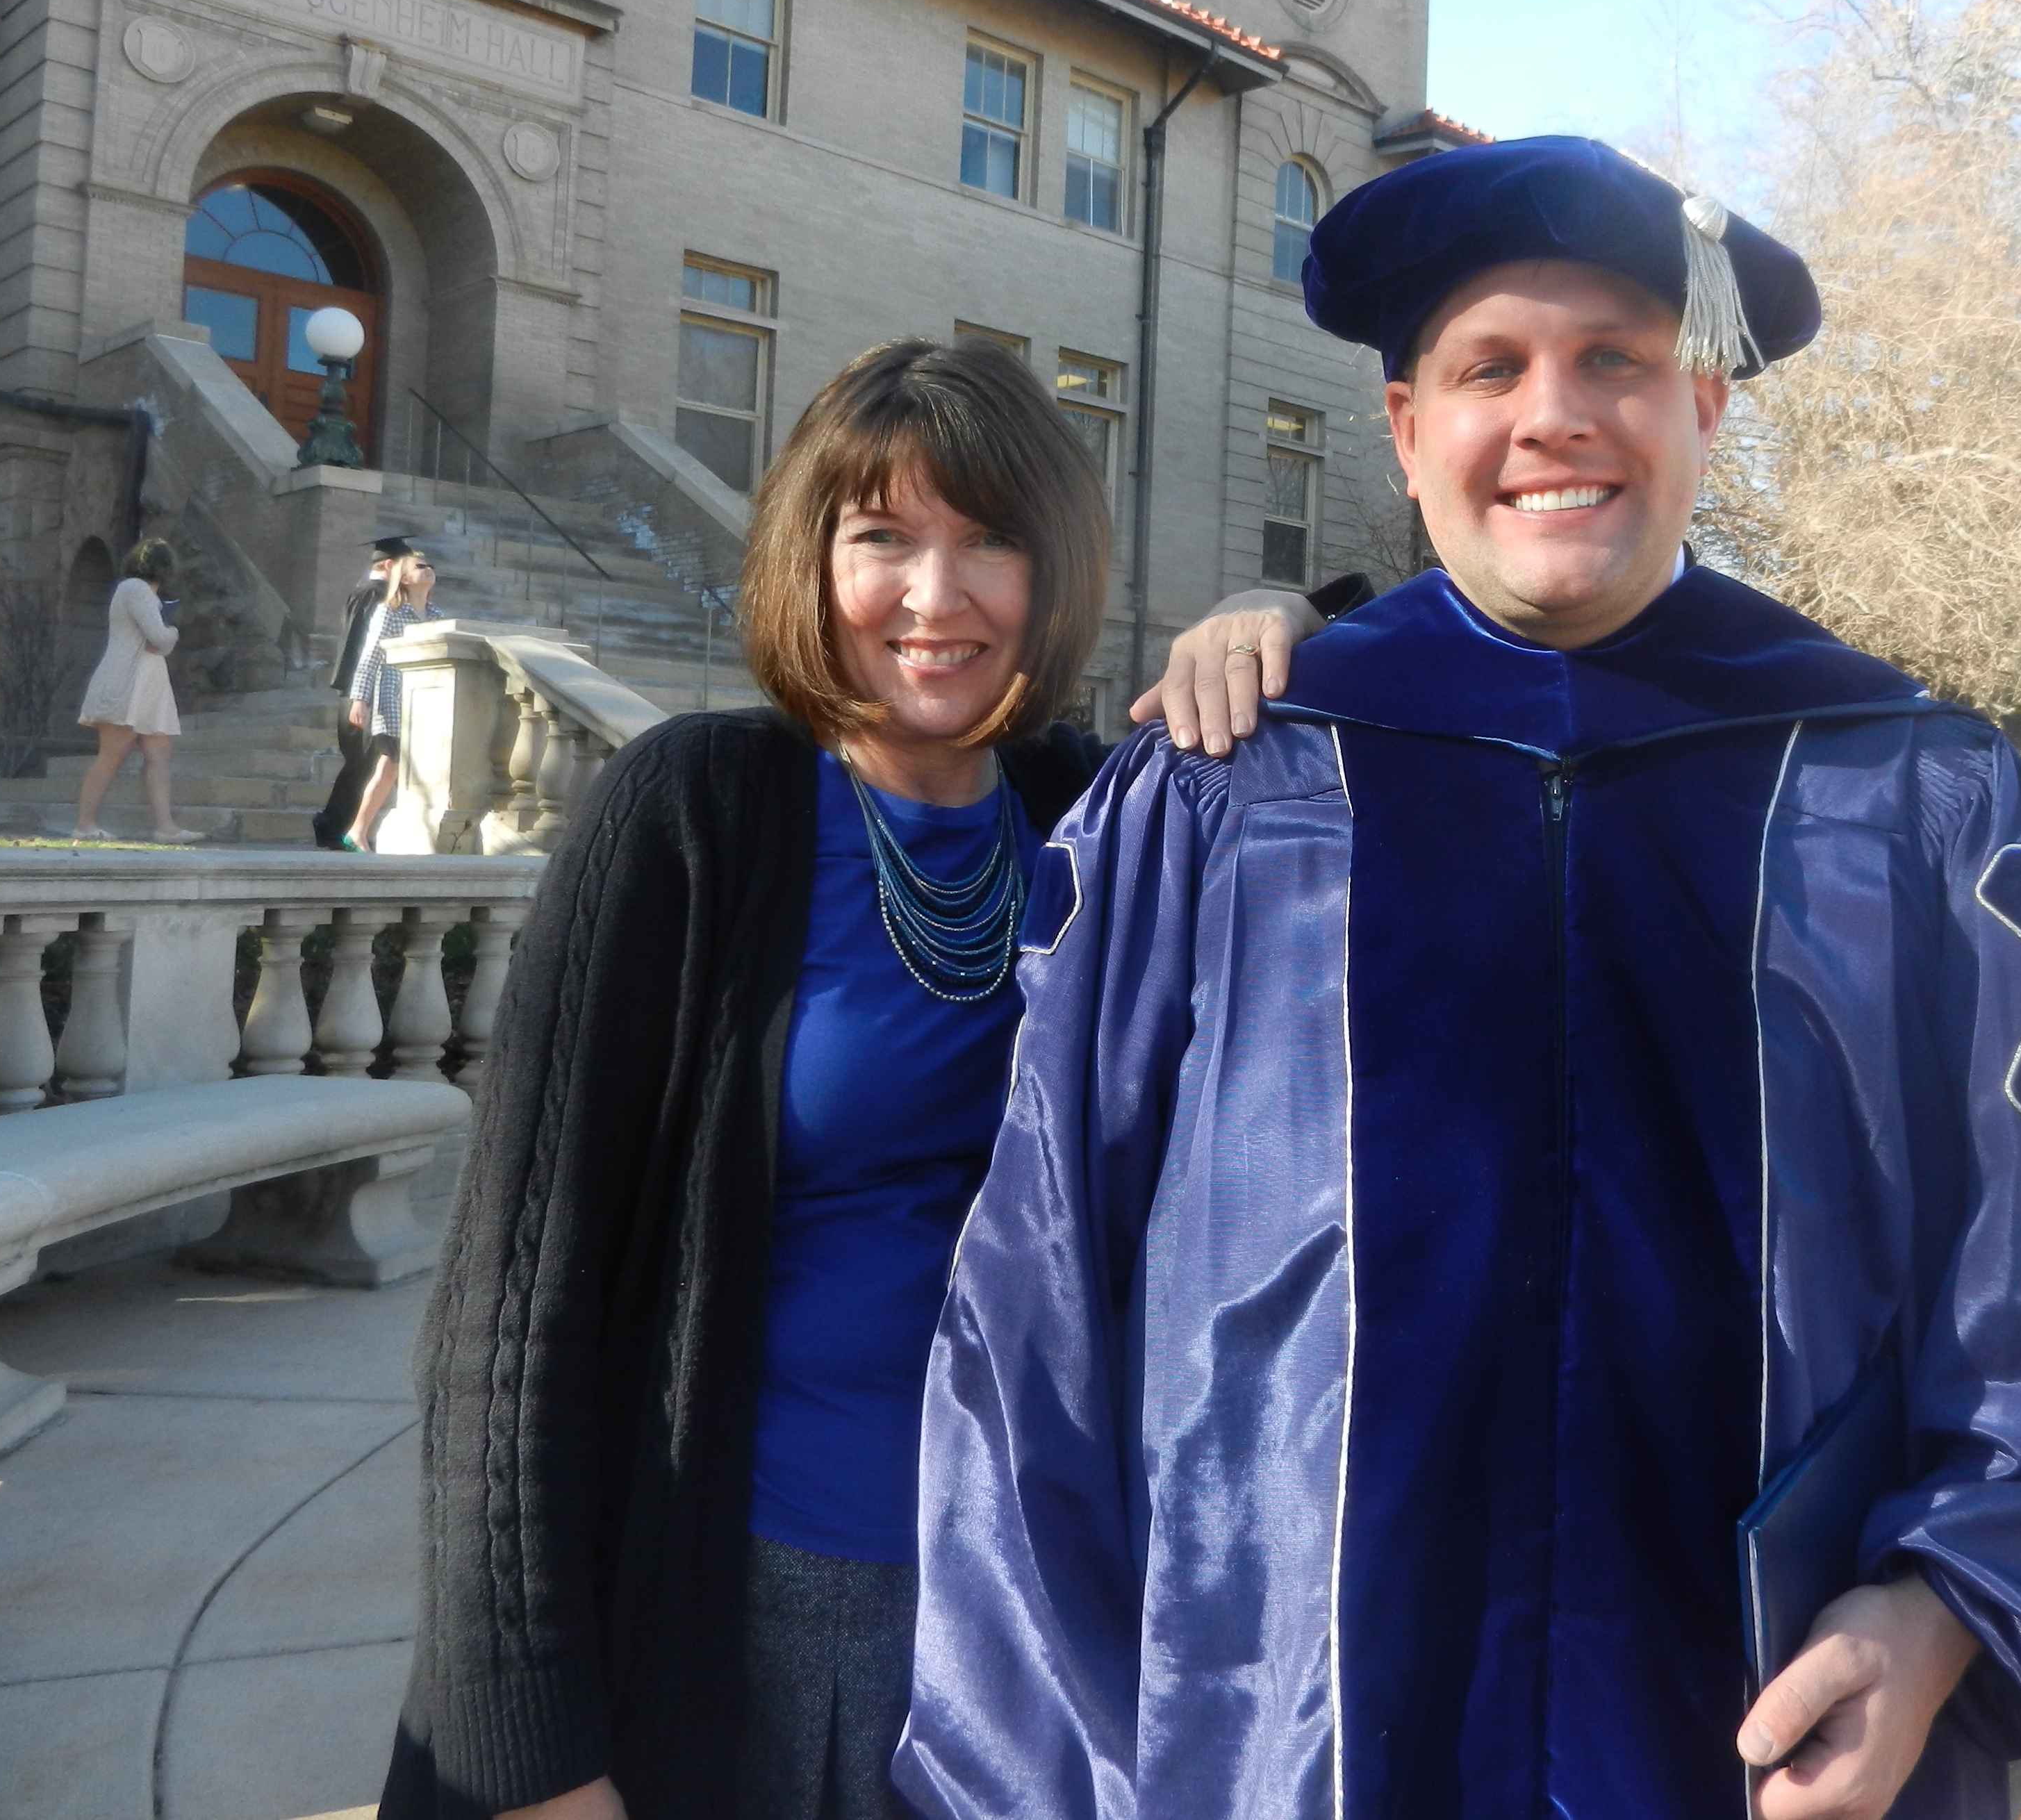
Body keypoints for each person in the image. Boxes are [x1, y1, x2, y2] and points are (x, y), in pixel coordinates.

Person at [898, 138, 2021, 1820]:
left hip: (1781, 1745)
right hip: (1279, 1751)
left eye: (1616, 363)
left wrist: (1950, 1610)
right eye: (1490, 367)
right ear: (1408, 430)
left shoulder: (1919, 800)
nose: (1554, 414)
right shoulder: (1219, 794)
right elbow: (1036, 1323)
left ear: (1703, 409)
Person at [381, 336, 1363, 1820]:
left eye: (988, 543)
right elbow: (513, 1303)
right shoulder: (701, 810)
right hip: (762, 1602)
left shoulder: (1088, 819)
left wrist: (1283, 614)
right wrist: (531, 1750)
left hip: (1034, 1617)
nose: (932, 594)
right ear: (808, 558)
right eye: (880, 538)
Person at [71, 536, 201, 843]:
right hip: (128, 681)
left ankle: (165, 827)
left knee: (160, 750)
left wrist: (164, 638)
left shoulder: (137, 592)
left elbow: (156, 644)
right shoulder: (136, 589)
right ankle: (85, 824)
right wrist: (174, 632)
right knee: (114, 753)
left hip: (145, 683)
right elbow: (159, 637)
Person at [342, 548, 445, 851]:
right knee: (389, 766)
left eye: (430, 565)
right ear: (404, 579)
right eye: (420, 566)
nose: (428, 570)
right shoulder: (389, 611)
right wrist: (359, 698)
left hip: (426, 704)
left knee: (411, 767)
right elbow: (370, 655)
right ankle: (358, 830)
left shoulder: (438, 616)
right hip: (392, 699)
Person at [315, 536, 409, 850]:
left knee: (363, 763)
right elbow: (363, 648)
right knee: (364, 764)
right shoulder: (375, 595)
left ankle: (337, 826)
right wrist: (361, 694)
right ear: (389, 565)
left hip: (357, 688)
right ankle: (334, 826)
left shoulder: (366, 592)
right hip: (362, 690)